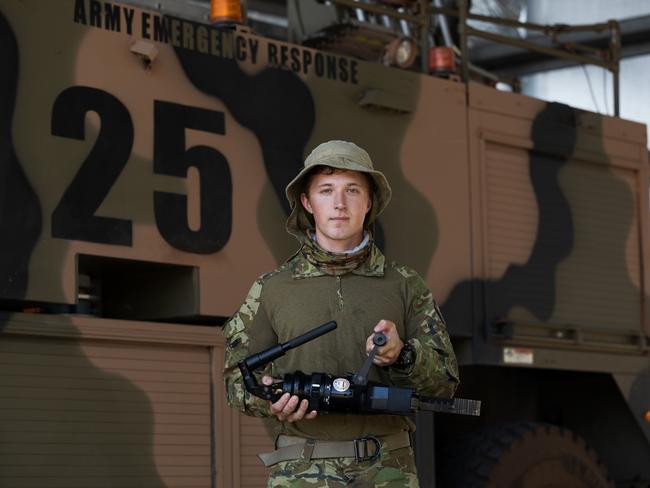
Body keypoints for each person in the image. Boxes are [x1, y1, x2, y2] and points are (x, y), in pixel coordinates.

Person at [223, 140, 459, 487]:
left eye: (352, 190)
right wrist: (272, 400)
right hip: (300, 474)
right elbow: (235, 381)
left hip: (387, 473)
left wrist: (402, 355)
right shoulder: (271, 288)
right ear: (307, 202)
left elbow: (445, 384)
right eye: (326, 190)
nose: (339, 204)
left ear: (369, 201)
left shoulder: (406, 285)